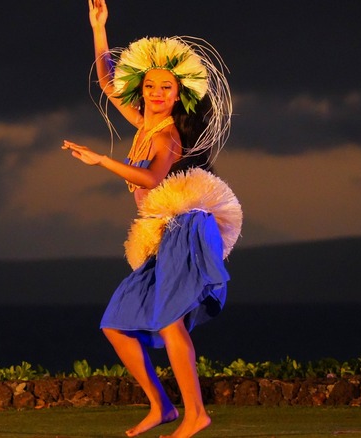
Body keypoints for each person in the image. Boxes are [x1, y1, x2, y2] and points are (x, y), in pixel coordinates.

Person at [62, 1, 242, 437]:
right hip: (161, 236)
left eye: (165, 88)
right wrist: (100, 30)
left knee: (169, 321)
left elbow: (151, 176)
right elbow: (108, 83)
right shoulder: (143, 122)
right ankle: (162, 407)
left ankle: (196, 413)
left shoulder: (168, 136)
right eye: (149, 86)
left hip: (184, 229)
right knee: (117, 325)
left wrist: (102, 161)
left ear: (178, 94)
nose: (156, 93)